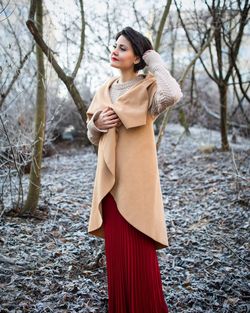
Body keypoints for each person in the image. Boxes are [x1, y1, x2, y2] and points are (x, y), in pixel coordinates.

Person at [86, 26, 183, 313]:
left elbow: (173, 94)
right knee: (116, 255)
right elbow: (93, 136)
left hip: (137, 186)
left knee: (139, 254)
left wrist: (154, 60)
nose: (115, 51)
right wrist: (95, 126)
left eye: (123, 48)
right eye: (115, 45)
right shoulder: (104, 90)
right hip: (110, 184)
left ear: (137, 57)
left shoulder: (148, 89)